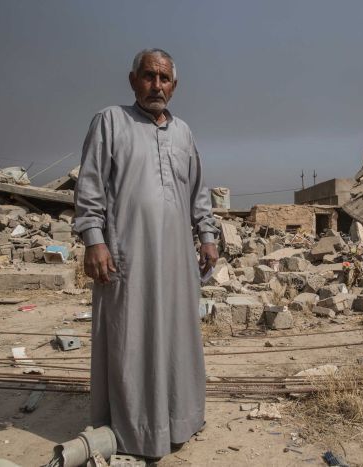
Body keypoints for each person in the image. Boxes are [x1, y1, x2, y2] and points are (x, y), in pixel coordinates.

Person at [73, 48, 219, 460]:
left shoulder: (184, 133)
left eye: (165, 78)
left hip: (175, 260)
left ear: (175, 85)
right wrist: (94, 239)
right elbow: (90, 187)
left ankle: (179, 420)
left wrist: (207, 235)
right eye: (149, 76)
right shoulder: (110, 121)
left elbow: (198, 192)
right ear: (133, 79)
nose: (157, 85)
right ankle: (135, 430)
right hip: (127, 257)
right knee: (129, 339)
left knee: (176, 337)